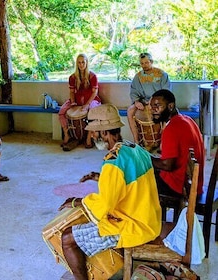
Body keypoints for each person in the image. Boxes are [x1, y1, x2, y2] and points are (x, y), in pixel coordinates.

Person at [58, 104, 162, 280]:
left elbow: (105, 205)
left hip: (133, 226)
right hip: (150, 219)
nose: (91, 136)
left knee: (67, 238)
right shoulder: (136, 149)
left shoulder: (112, 163)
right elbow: (128, 182)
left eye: (93, 132)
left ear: (104, 133)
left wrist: (78, 202)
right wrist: (100, 177)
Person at [150, 89, 204, 197]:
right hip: (196, 184)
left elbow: (167, 165)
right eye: (151, 106)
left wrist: (143, 158)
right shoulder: (188, 120)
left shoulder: (171, 128)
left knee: (140, 177)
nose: (153, 110)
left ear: (170, 106)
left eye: (157, 105)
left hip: (181, 187)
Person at [58, 53, 101, 149]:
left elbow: (95, 93)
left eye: (83, 62)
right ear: (76, 64)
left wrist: (87, 105)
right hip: (77, 100)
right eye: (79, 63)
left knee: (93, 112)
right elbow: (72, 92)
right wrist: (73, 102)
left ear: (86, 63)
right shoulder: (72, 77)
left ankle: (89, 137)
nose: (81, 64)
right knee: (61, 112)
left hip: (91, 100)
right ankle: (66, 134)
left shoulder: (92, 76)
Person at [127, 52, 171, 144]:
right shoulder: (138, 76)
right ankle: (136, 141)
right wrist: (136, 102)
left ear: (151, 61)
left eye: (146, 62)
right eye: (142, 63)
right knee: (130, 110)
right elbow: (134, 90)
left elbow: (166, 91)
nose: (144, 65)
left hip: (159, 101)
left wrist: (154, 100)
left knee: (166, 112)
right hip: (143, 101)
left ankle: (163, 143)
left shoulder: (162, 74)